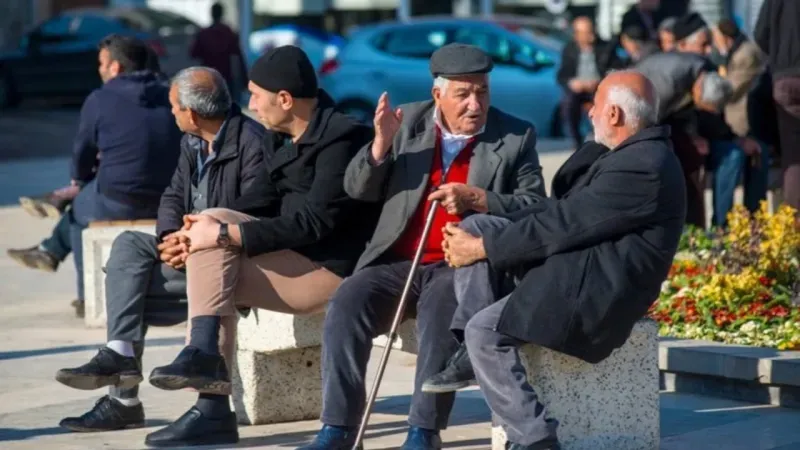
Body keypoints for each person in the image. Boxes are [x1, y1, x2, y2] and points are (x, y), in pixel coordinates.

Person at [301, 43, 546, 450]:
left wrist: (477, 199)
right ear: (437, 95)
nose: (475, 104)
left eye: (482, 92)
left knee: (441, 313)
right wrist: (379, 147)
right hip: (399, 261)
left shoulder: (515, 135)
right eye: (463, 94)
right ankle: (338, 428)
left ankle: (423, 431)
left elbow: (535, 207)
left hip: (461, 266)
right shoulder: (408, 123)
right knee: (347, 301)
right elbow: (356, 189)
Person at [424, 71, 686, 450]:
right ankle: (467, 352)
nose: (589, 112)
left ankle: (535, 438)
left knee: (485, 332)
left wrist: (482, 249)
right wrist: (483, 206)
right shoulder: (628, 154)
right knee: (480, 225)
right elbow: (563, 211)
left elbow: (564, 224)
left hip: (595, 290)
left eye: (594, 104)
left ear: (613, 114)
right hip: (577, 265)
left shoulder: (645, 165)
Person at [140, 46, 378, 448]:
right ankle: (205, 369)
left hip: (327, 273)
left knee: (215, 249)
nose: (248, 104)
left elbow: (313, 223)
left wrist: (219, 236)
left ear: (285, 99)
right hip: (287, 260)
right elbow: (254, 203)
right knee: (214, 226)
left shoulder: (342, 140)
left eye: (255, 95)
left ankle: (211, 400)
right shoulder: (278, 137)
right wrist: (193, 232)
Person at [53, 66, 265, 433]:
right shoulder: (193, 142)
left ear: (192, 113)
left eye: (173, 107)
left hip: (228, 260)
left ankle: (124, 401)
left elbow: (254, 211)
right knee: (129, 247)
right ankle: (120, 356)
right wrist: (170, 237)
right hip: (189, 250)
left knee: (127, 290)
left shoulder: (252, 143)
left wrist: (195, 241)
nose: (170, 113)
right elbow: (172, 195)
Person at [7, 35, 183, 316]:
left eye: (101, 63)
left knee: (78, 211)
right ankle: (50, 247)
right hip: (170, 195)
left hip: (121, 198)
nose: (98, 69)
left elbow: (82, 153)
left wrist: (79, 180)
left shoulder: (100, 99)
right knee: (94, 187)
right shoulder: (170, 94)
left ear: (115, 67)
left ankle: (84, 294)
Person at [711, 18, 770, 217]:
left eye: (716, 38)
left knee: (750, 181)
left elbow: (728, 90)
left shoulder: (746, 54)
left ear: (726, 37)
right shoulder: (738, 52)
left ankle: (747, 227)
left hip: (746, 126)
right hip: (740, 126)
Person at [754, 0, 800, 214]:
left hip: (784, 80)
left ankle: (794, 226)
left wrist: (780, 59)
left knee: (793, 155)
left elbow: (760, 34)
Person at [557, 17, 618, 149]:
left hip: (599, 88)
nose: (590, 35)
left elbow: (615, 70)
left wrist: (599, 82)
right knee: (568, 103)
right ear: (576, 35)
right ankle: (576, 142)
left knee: (602, 105)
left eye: (591, 30)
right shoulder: (569, 49)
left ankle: (604, 142)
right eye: (585, 32)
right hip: (578, 90)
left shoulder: (606, 47)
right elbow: (562, 75)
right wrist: (572, 82)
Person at [190, 2, 248, 100]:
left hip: (208, 76)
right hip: (225, 76)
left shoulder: (204, 33)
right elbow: (239, 56)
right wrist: (244, 79)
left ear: (211, 14)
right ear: (222, 14)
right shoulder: (228, 32)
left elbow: (193, 53)